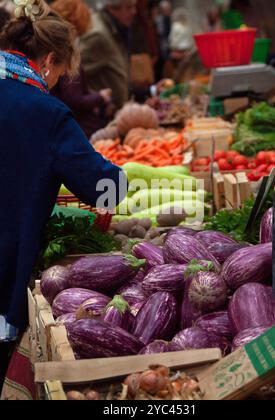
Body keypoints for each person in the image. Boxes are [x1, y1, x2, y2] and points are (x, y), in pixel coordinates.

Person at [0, 0, 127, 390]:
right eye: (60, 73)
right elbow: (104, 191)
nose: (56, 82)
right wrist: (124, 177)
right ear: (48, 60)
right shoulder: (47, 113)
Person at [50, 0, 114, 139]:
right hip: (79, 130)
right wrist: (100, 97)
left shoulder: (53, 51)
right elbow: (74, 100)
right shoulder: (67, 55)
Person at [79, 0, 137, 110]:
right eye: (129, 7)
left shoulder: (115, 28)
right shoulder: (98, 35)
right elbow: (71, 75)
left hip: (115, 113)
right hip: (102, 118)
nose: (134, 12)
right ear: (112, 8)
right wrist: (98, 99)